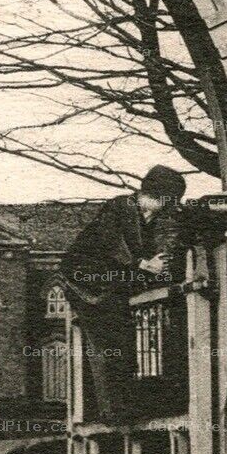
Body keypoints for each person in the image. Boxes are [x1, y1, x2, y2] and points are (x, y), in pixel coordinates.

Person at [62, 165, 189, 423]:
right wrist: (144, 264)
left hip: (113, 281)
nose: (171, 208)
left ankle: (121, 406)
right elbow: (112, 245)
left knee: (120, 337)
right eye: (170, 201)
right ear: (158, 196)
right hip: (88, 281)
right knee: (109, 337)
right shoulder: (120, 207)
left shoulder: (147, 217)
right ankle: (113, 409)